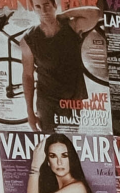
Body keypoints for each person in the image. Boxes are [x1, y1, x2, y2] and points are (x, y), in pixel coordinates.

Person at [20, 0, 103, 133]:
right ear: (34, 9)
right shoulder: (28, 39)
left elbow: (96, 13)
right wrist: (30, 112)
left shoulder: (72, 27)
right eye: (38, 7)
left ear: (54, 5)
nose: (44, 11)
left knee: (68, 141)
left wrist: (64, 15)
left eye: (47, 5)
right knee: (49, 142)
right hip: (46, 100)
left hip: (72, 99)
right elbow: (28, 76)